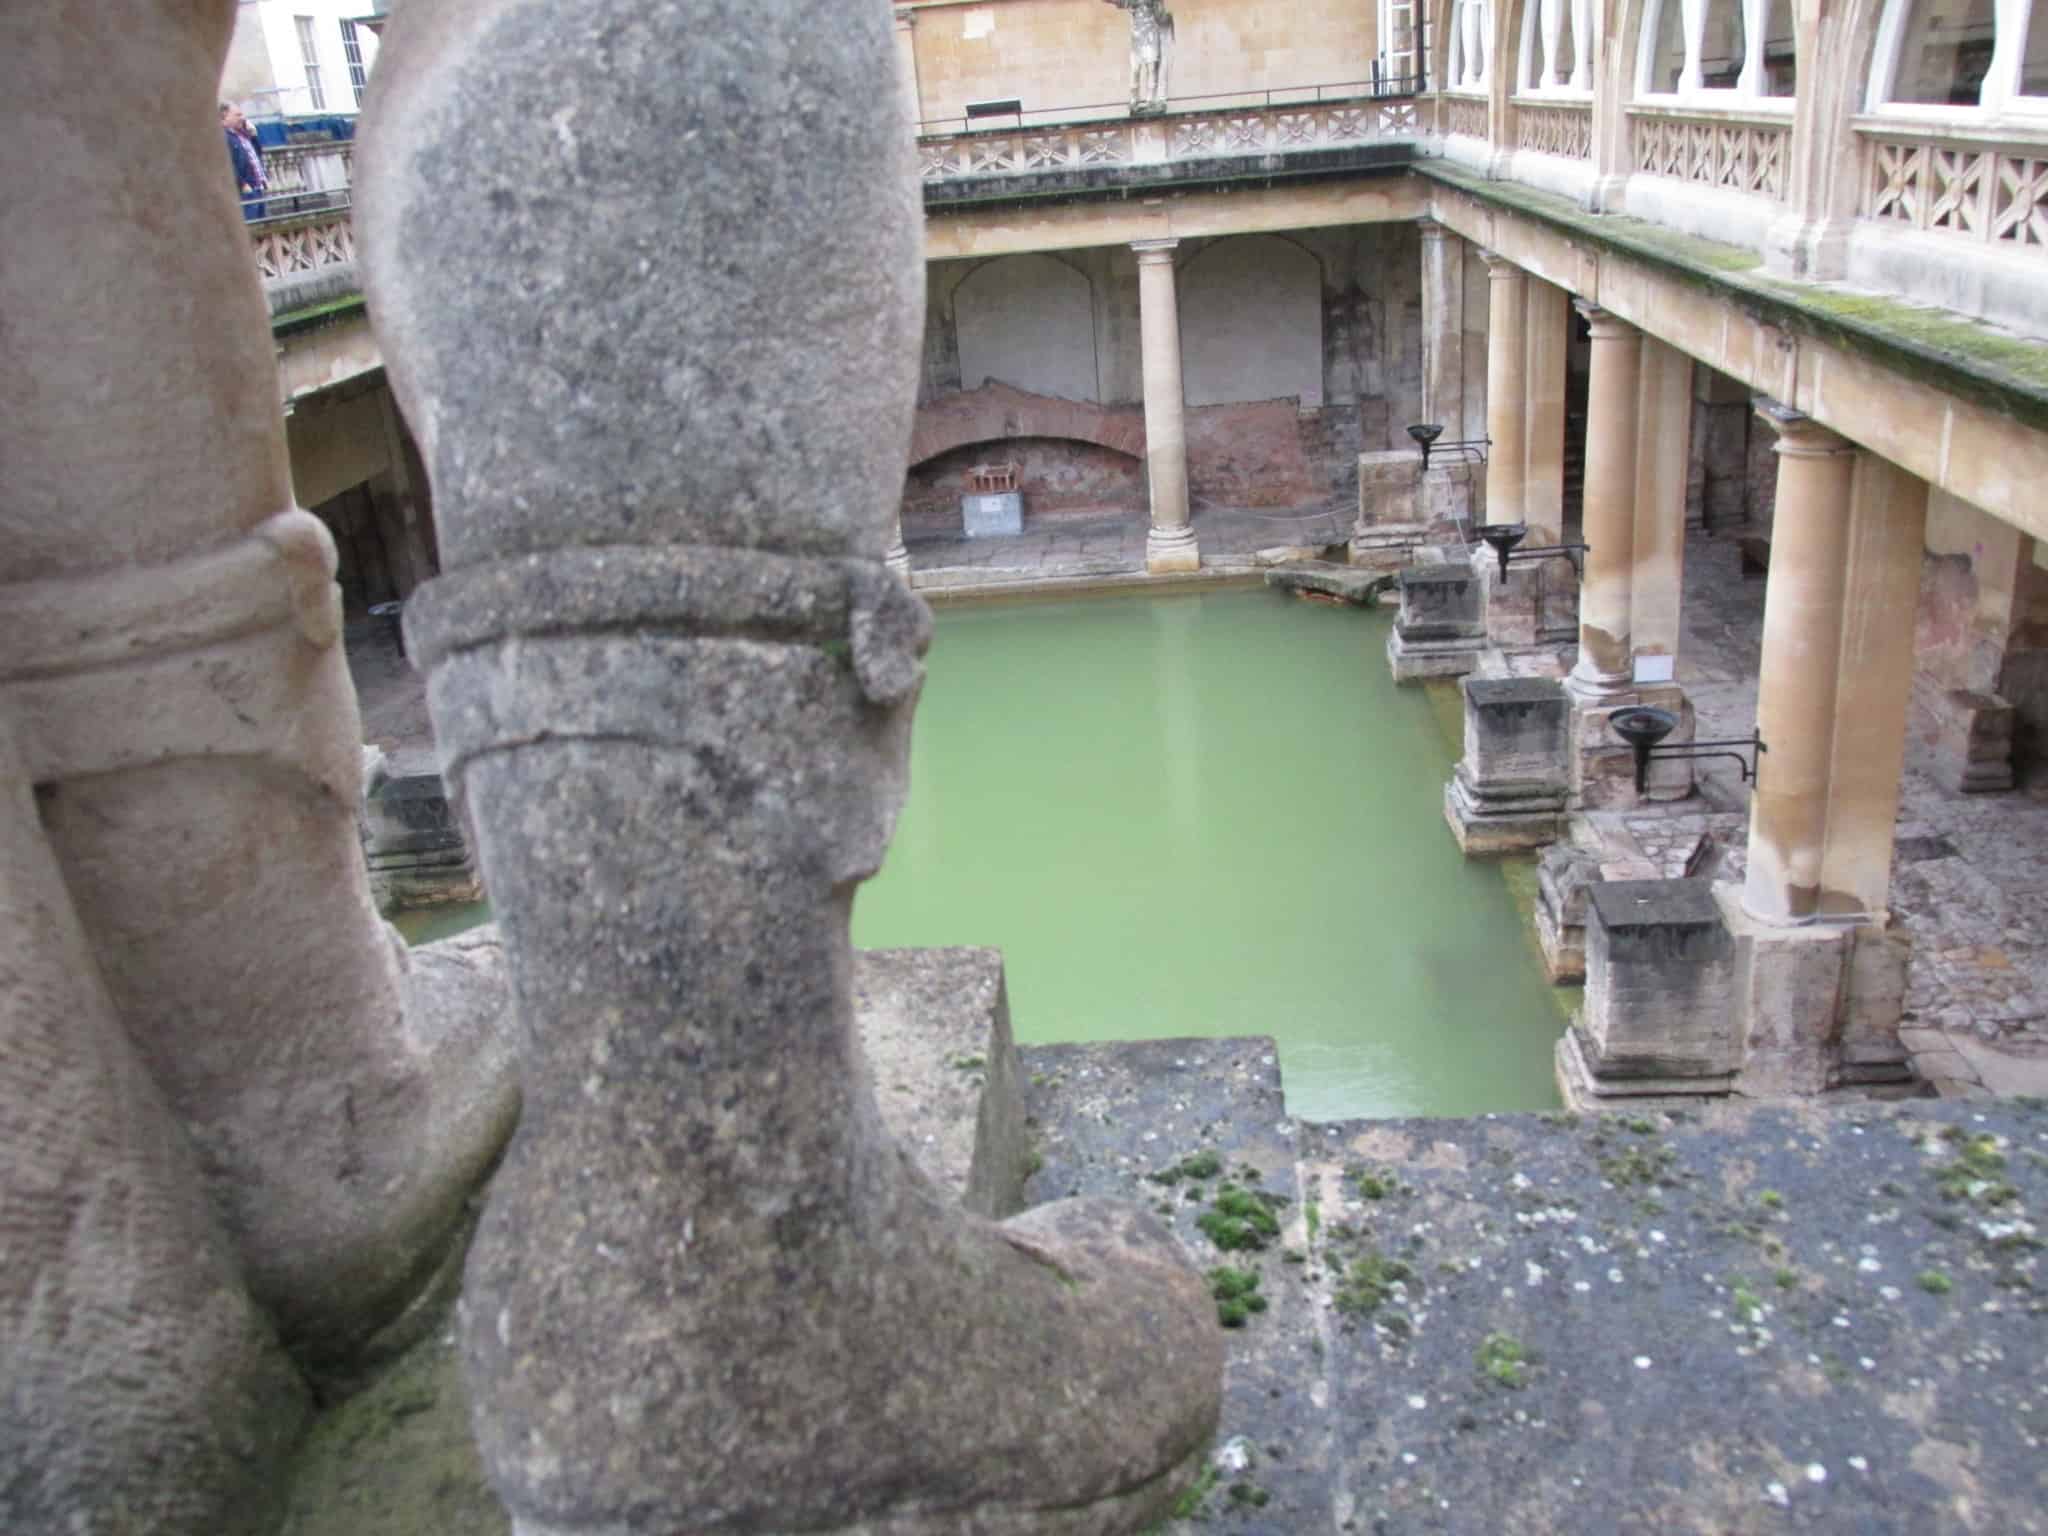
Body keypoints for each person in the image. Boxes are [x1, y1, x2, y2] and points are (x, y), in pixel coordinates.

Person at [222, 103, 266, 220]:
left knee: (263, 225)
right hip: (245, 192)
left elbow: (258, 155)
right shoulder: (224, 137)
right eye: (238, 115)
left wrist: (254, 135)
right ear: (225, 116)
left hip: (257, 187)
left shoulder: (243, 134)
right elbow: (226, 165)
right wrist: (242, 184)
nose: (243, 118)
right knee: (252, 226)